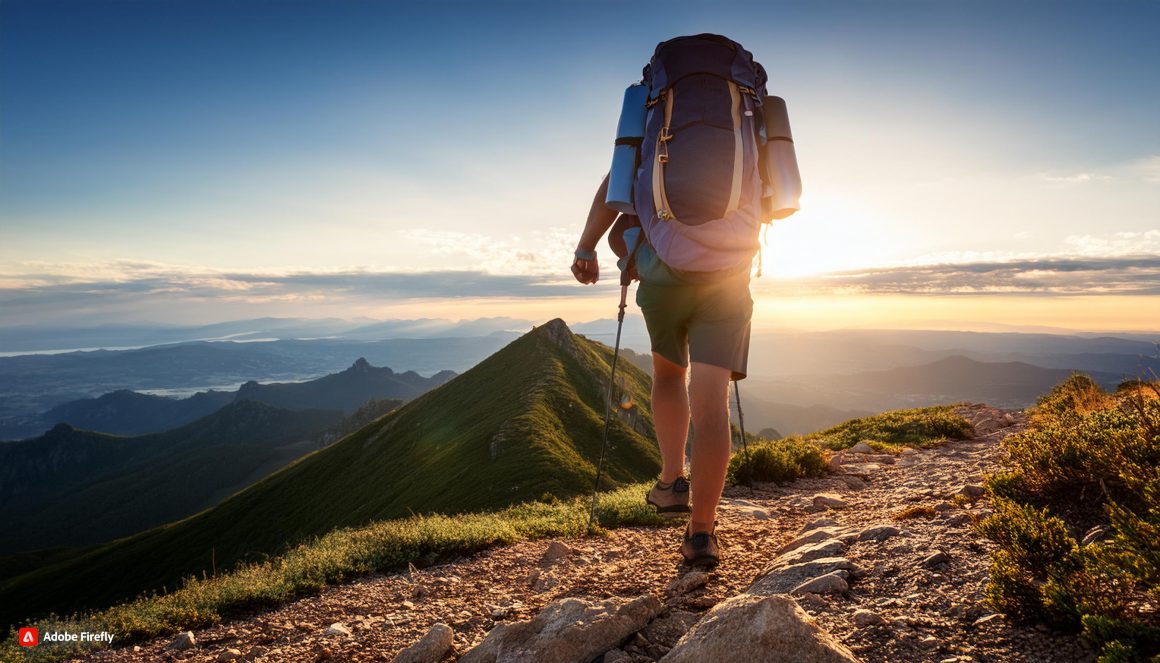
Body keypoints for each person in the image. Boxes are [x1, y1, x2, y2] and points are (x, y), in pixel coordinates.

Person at [572, 174, 754, 568]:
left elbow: (614, 185)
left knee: (670, 375)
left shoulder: (652, 112)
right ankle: (702, 533)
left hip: (662, 276)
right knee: (711, 404)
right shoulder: (753, 111)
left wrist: (586, 246)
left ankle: (672, 481)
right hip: (728, 278)